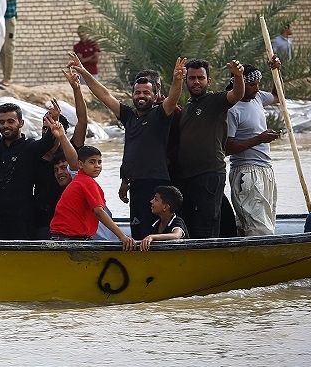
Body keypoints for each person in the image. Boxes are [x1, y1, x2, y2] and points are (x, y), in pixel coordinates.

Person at [70, 54, 184, 239]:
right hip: (136, 183)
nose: (141, 96)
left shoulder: (160, 115)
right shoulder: (128, 116)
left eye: (146, 93)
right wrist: (84, 72)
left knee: (153, 232)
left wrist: (178, 80)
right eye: (138, 92)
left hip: (157, 182)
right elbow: (104, 95)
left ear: (154, 96)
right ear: (132, 94)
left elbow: (172, 99)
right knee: (137, 229)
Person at [0, 84, 73, 239]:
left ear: (21, 123)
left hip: (23, 224)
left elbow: (47, 143)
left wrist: (55, 122)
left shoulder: (30, 148)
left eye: (11, 121)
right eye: (2, 122)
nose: (6, 126)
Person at [174, 59, 245, 239]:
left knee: (207, 223)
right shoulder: (186, 107)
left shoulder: (215, 101)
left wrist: (238, 76)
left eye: (200, 78)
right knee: (189, 221)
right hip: (187, 176)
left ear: (208, 81)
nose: (196, 82)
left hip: (210, 173)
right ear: (186, 80)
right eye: (192, 78)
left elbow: (236, 94)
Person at [225, 58, 281, 236]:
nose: (256, 89)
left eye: (258, 84)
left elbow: (278, 95)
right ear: (239, 83)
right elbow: (228, 147)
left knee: (264, 221)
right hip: (246, 172)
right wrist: (260, 139)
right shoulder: (232, 108)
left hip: (265, 169)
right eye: (251, 85)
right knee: (259, 229)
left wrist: (276, 72)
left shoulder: (257, 97)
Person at [33, 67, 89, 239]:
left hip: (70, 217)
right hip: (41, 219)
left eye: (52, 126)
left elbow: (82, 120)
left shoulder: (70, 151)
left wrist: (76, 88)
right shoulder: (34, 153)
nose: (48, 131)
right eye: (44, 127)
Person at [49, 145, 137, 249]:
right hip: (70, 238)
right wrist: (122, 236)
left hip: (60, 237)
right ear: (81, 164)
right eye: (92, 162)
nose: (97, 166)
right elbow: (99, 212)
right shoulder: (87, 182)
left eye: (99, 162)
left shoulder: (79, 180)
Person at [139, 186, 189, 251]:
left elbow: (176, 235)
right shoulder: (156, 224)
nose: (151, 201)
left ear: (165, 207)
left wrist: (152, 237)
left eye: (156, 199)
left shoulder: (177, 221)